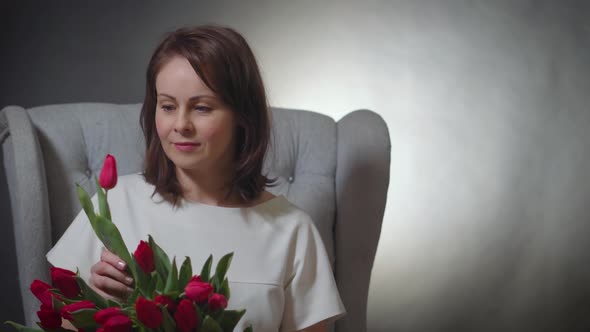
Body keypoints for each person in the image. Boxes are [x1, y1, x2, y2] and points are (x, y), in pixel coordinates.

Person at [46, 25, 345, 332]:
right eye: (168, 107)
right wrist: (96, 302)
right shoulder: (115, 204)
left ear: (242, 115)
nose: (181, 124)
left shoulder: (293, 230)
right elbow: (58, 325)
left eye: (202, 108)